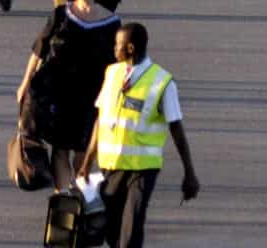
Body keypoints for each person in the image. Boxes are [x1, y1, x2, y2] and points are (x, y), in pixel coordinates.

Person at [76, 23, 201, 248]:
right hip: (111, 167)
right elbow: (100, 120)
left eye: (118, 45)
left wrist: (189, 173)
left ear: (131, 48)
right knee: (112, 230)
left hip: (142, 169)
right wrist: (87, 162)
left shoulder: (162, 83)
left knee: (132, 228)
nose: (114, 49)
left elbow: (177, 130)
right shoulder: (112, 73)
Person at [16, 0, 119, 190]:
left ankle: (81, 195)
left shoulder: (112, 23)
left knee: (83, 152)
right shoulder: (61, 14)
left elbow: (117, 64)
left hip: (92, 93)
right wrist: (25, 83)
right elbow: (39, 50)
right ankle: (62, 198)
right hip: (58, 90)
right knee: (60, 149)